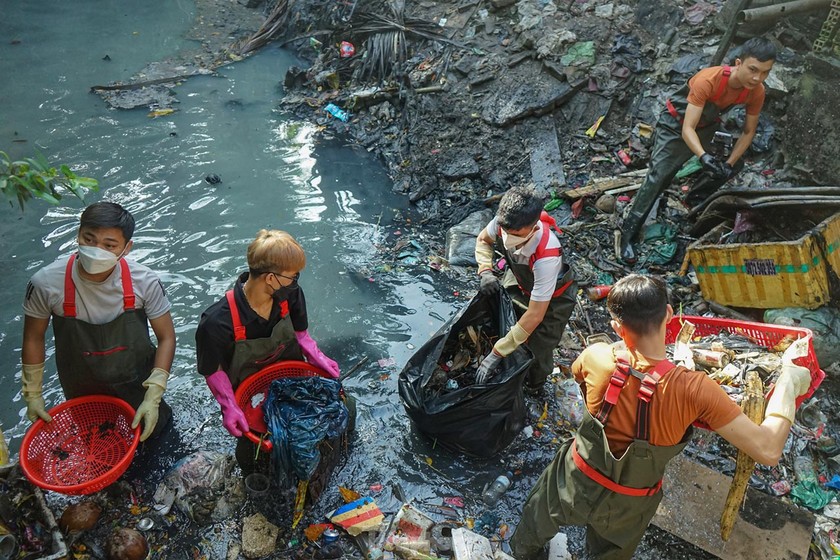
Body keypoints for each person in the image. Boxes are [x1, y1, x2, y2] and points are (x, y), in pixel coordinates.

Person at [509, 274, 812, 559]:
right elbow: (768, 450)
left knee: (533, 528)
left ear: (616, 327)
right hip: (628, 506)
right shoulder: (695, 390)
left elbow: (582, 377)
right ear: (669, 314)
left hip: (572, 481)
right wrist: (787, 383)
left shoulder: (596, 356)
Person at [21, 202, 174, 441]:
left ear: (127, 247)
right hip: (82, 391)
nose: (96, 250)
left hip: (137, 383)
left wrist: (154, 392)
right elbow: (33, 337)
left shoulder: (145, 282)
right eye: (89, 239)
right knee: (96, 446)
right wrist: (33, 393)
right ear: (78, 235)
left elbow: (166, 338)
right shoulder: (46, 284)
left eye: (109, 245)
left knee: (158, 441)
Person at [618, 37, 777, 263]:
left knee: (733, 164)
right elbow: (687, 129)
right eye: (753, 69)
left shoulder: (756, 91)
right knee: (659, 176)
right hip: (676, 124)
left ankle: (694, 198)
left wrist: (728, 163)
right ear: (739, 63)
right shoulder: (709, 80)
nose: (757, 78)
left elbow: (749, 132)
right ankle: (629, 234)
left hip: (708, 126)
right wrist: (703, 156)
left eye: (764, 72)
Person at [195, 229, 341, 474]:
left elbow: (301, 335)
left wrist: (319, 357)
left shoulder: (289, 295)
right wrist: (228, 406)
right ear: (271, 279)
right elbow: (213, 371)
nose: (296, 282)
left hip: (292, 384)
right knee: (251, 458)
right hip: (249, 399)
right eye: (293, 276)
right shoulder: (216, 322)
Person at [473, 186, 577, 393]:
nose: (508, 238)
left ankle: (534, 386)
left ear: (534, 228)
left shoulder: (547, 257)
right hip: (520, 277)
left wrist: (496, 353)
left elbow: (535, 315)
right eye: (505, 232)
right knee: (503, 319)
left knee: (537, 350)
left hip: (552, 298)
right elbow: (483, 240)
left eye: (516, 234)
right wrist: (485, 270)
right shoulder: (505, 222)